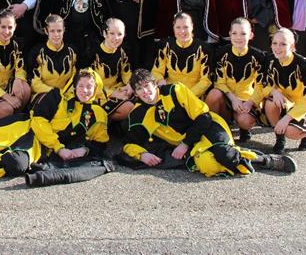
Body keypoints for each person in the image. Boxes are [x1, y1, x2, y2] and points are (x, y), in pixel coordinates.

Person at [117, 69, 296, 176]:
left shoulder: (175, 90)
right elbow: (129, 144)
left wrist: (185, 144)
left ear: (154, 84)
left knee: (224, 155)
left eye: (147, 86)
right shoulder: (138, 114)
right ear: (135, 94)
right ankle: (245, 158)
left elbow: (204, 117)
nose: (145, 92)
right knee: (207, 165)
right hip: (191, 145)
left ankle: (266, 160)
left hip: (209, 127)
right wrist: (142, 155)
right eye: (139, 89)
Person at [205, 17, 266, 143]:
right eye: (234, 33)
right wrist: (233, 99)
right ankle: (218, 127)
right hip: (227, 97)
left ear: (251, 35)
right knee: (213, 94)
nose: (238, 37)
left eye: (243, 33)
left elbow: (260, 85)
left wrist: (250, 102)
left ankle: (244, 128)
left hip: (246, 100)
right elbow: (219, 82)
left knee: (245, 121)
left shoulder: (258, 56)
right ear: (229, 34)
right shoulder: (221, 53)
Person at [151, 12, 211, 98]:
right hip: (170, 92)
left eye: (186, 27)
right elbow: (156, 71)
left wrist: (187, 96)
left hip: (193, 95)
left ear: (192, 27)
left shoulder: (204, 48)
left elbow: (206, 80)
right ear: (173, 28)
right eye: (178, 27)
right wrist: (160, 80)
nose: (182, 31)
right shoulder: (165, 45)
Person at [90, 18, 133, 123]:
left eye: (119, 34)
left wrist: (129, 85)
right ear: (104, 33)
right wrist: (112, 94)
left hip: (117, 89)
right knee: (129, 108)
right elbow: (89, 85)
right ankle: (98, 121)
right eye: (112, 33)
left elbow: (126, 72)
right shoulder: (92, 53)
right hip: (98, 94)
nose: (116, 38)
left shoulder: (122, 51)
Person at [26, 15, 77, 100]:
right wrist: (56, 93)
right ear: (46, 31)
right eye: (52, 31)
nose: (56, 35)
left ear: (64, 30)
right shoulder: (37, 52)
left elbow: (75, 78)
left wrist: (65, 94)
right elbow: (34, 84)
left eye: (59, 31)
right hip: (43, 96)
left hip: (67, 96)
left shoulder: (72, 51)